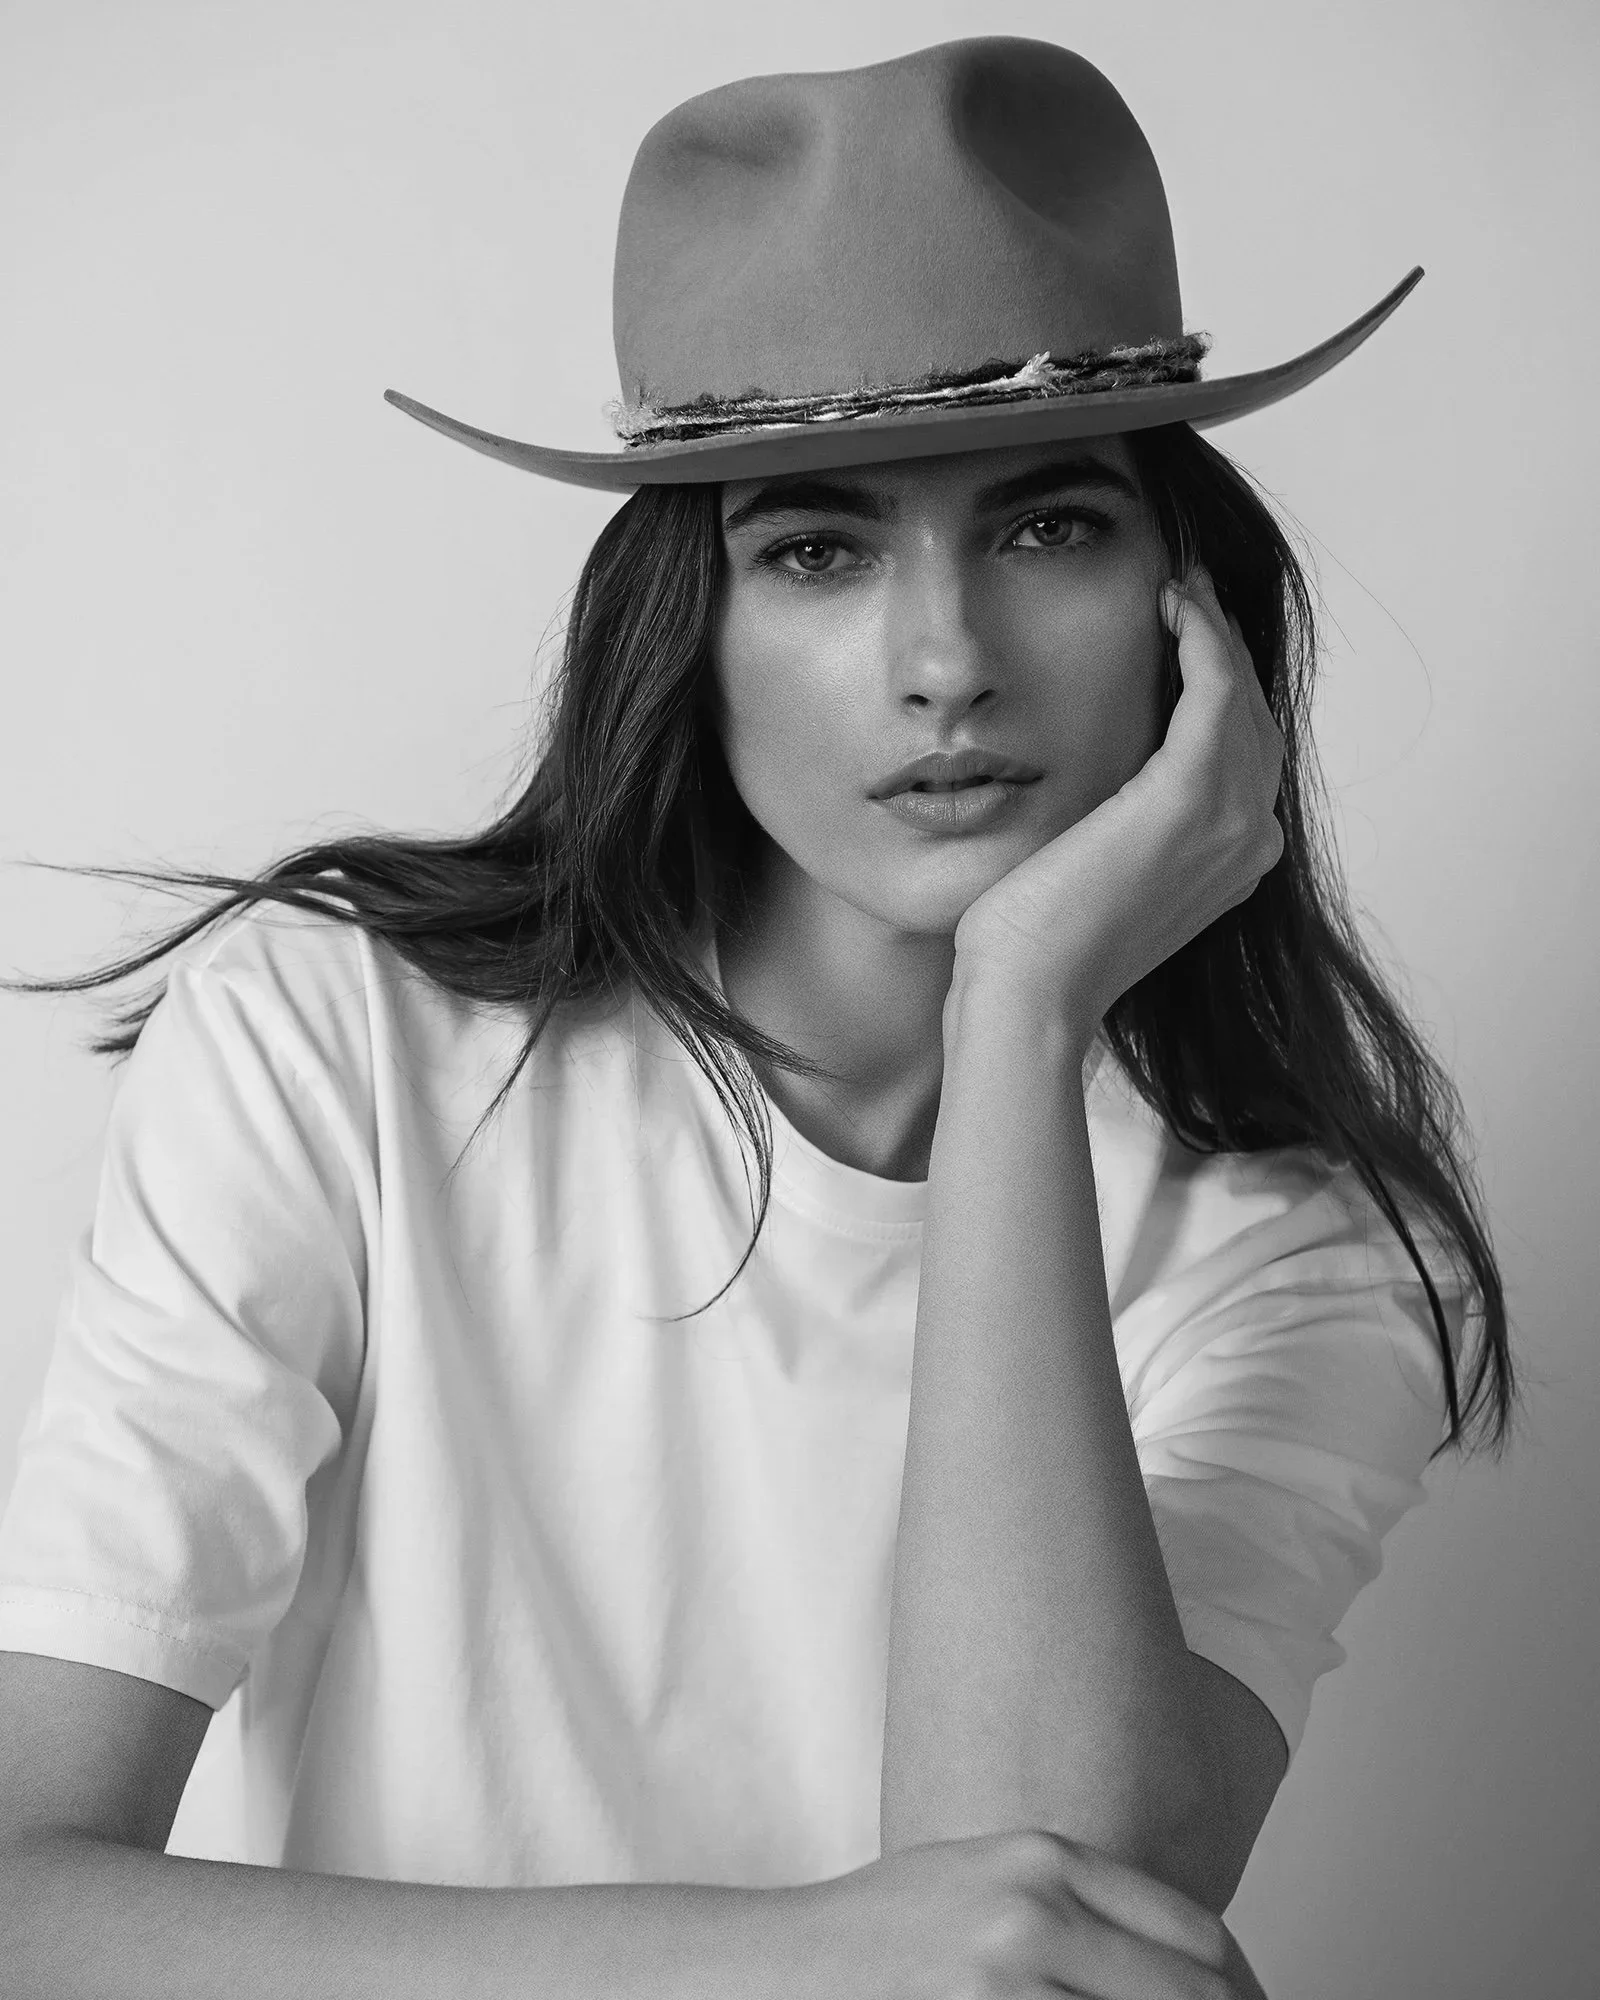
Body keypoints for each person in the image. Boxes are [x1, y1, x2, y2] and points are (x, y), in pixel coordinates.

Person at [0, 34, 1516, 2000]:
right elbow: (26, 1894)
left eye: (1047, 525)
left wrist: (1022, 1012)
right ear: (680, 630)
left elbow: (1042, 1922)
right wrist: (783, 1959)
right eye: (814, 548)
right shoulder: (331, 1043)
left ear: (1187, 607)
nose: (944, 662)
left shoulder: (1301, 1257)